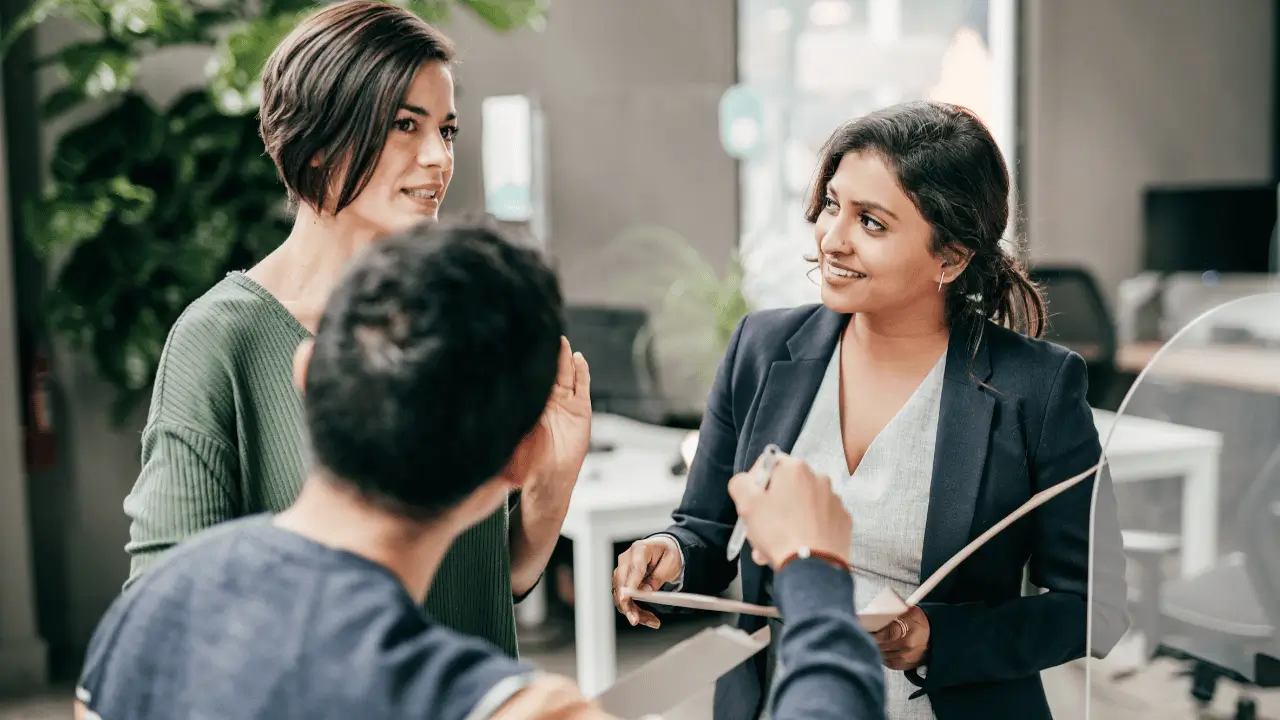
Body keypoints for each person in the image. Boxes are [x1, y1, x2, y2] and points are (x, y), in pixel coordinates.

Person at [74, 221, 887, 720]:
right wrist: (813, 573)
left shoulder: (148, 614)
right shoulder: (499, 707)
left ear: (308, 373)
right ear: (520, 452)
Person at [612, 101, 1130, 720]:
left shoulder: (1036, 387)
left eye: (872, 223)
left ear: (952, 257)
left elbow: (1096, 608)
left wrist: (936, 639)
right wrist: (669, 554)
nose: (833, 238)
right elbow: (706, 530)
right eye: (833, 204)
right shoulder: (761, 349)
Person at [120, 1, 572, 656]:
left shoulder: (446, 319)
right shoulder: (221, 339)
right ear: (321, 137)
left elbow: (479, 582)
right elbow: (163, 613)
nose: (437, 158)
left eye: (445, 130)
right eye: (403, 126)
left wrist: (549, 486)